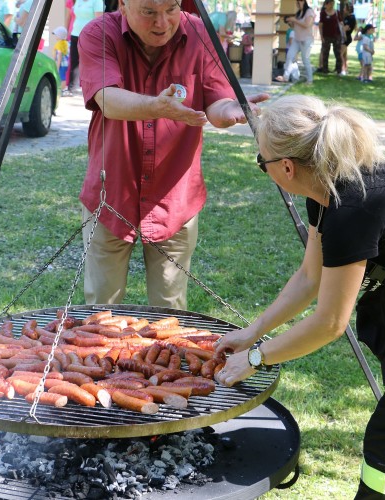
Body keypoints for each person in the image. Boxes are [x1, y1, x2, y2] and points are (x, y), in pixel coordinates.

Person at [215, 94, 385, 499]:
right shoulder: (328, 189)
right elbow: (309, 277)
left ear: (286, 167)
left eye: (263, 162)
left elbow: (330, 322)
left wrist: (257, 358)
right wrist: (252, 333)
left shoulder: (353, 208)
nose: (264, 169)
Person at [77, 0, 267, 309]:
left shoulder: (198, 32)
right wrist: (156, 106)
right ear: (123, 5)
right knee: (101, 309)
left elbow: (216, 103)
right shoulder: (98, 33)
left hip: (174, 198)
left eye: (172, 8)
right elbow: (107, 99)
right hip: (110, 195)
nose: (163, 23)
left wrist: (229, 109)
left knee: (170, 312)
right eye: (149, 12)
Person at [68, 0, 103, 94]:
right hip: (75, 34)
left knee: (90, 62)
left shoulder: (97, 1)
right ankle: (72, 87)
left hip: (89, 35)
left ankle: (92, 88)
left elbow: (99, 21)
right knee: (74, 61)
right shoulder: (78, 1)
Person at [275, 0, 315, 84]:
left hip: (306, 40)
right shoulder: (299, 13)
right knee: (289, 56)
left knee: (305, 60)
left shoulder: (309, 12)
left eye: (298, 3)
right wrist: (289, 20)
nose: (297, 5)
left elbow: (307, 25)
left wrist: (295, 20)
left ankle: (310, 80)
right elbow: (297, 25)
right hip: (297, 39)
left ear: (303, 2)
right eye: (296, 3)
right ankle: (285, 77)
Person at [318, 0, 342, 75]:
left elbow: (341, 23)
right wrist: (321, 36)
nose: (330, 5)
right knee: (325, 53)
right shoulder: (323, 13)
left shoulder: (337, 12)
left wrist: (343, 31)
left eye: (332, 3)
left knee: (337, 53)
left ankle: (339, 70)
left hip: (336, 36)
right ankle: (325, 70)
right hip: (326, 36)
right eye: (328, 3)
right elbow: (320, 25)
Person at [340, 1, 356, 75]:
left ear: (348, 9)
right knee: (344, 55)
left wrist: (341, 26)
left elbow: (345, 28)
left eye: (344, 8)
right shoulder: (347, 17)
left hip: (346, 38)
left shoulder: (351, 18)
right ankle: (346, 69)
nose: (343, 9)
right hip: (345, 37)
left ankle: (342, 70)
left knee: (340, 54)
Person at [52, 26, 70, 95]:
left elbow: (59, 56)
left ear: (59, 36)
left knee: (62, 76)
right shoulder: (66, 43)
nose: (55, 36)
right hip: (65, 63)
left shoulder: (59, 44)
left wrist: (57, 66)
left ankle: (62, 90)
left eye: (56, 35)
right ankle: (62, 89)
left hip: (61, 64)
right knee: (62, 76)